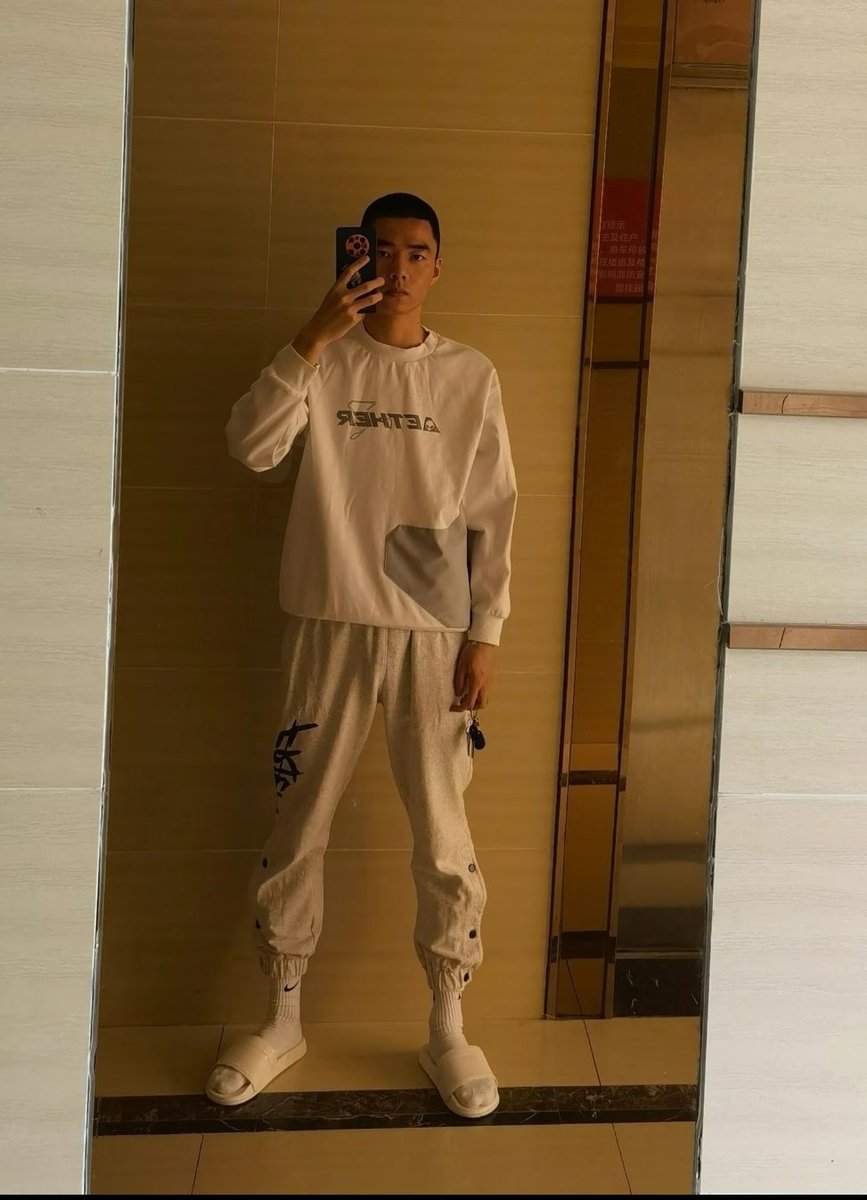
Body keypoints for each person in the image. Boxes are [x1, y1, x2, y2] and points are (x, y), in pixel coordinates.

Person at [205, 192, 518, 1119]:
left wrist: (487, 632)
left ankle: (447, 1026)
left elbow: (493, 508)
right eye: (379, 250)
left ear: (437, 265)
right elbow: (250, 448)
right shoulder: (322, 357)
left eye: (416, 251)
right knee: (297, 823)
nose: (398, 266)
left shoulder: (467, 373)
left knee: (444, 837)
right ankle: (281, 1016)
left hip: (432, 629)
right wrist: (309, 337)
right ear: (355, 256)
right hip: (327, 622)